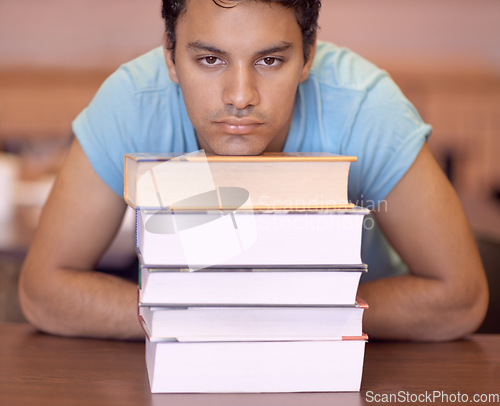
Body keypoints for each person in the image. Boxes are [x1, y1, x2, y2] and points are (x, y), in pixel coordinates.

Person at [18, 0, 488, 341]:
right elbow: (43, 290)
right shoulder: (131, 102)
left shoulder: (365, 105)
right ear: (170, 56)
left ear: (307, 56)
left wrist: (275, 317)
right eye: (209, 59)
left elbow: (460, 299)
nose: (240, 95)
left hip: (352, 361)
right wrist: (204, 318)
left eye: (269, 60)